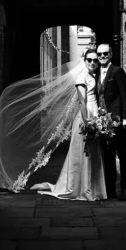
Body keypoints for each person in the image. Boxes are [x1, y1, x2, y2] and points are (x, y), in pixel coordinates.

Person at [38, 46, 107, 201]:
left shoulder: (93, 76)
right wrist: (87, 121)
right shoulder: (82, 77)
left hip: (95, 113)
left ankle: (93, 188)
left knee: (93, 153)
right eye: (90, 60)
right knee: (85, 153)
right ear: (85, 61)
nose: (93, 63)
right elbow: (82, 102)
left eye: (95, 60)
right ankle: (83, 189)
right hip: (87, 116)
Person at [95, 42, 126, 200]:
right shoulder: (96, 73)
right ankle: (110, 190)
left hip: (117, 120)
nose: (102, 56)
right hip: (103, 121)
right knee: (107, 155)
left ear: (110, 54)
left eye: (105, 53)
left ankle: (125, 188)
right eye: (100, 54)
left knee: (122, 154)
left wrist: (125, 119)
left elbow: (125, 96)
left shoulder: (118, 72)